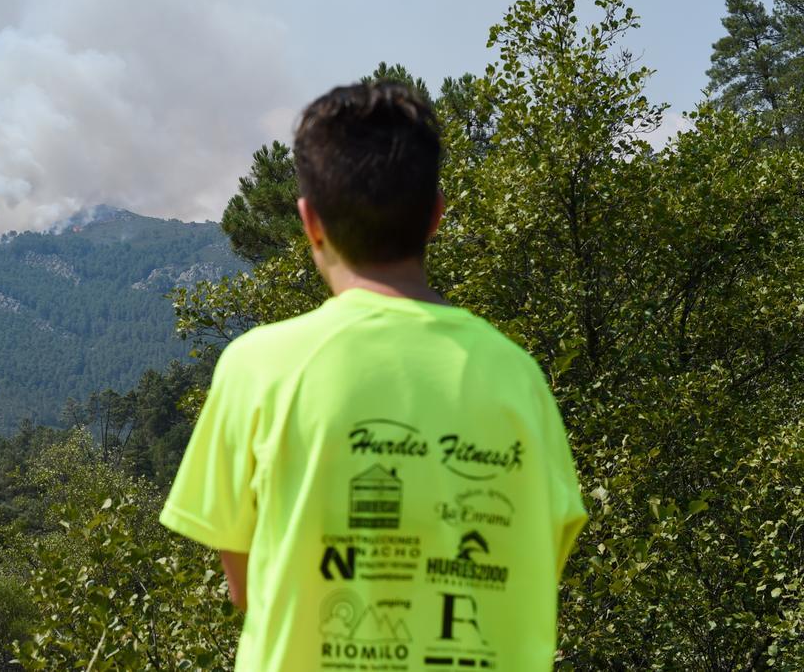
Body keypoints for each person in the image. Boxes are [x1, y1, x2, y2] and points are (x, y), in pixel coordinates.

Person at [159, 81, 587, 671]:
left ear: (310, 221)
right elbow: (537, 565)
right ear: (436, 215)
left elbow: (248, 589)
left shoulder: (259, 367)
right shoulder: (521, 379)